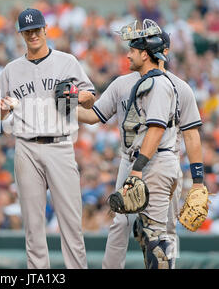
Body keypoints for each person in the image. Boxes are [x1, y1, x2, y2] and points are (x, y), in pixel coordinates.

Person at [78, 21, 203, 269]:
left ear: (149, 52)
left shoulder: (179, 87)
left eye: (133, 48)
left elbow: (191, 135)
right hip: (130, 159)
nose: (127, 54)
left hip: (162, 158)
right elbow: (95, 116)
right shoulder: (122, 83)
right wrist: (64, 108)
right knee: (121, 224)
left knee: (162, 230)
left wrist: (198, 180)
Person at [0, 8, 96, 269]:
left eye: (36, 30)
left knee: (71, 224)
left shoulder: (66, 61)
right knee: (33, 226)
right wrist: (3, 107)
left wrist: (72, 93)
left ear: (45, 29)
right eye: (27, 31)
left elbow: (90, 96)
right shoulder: (11, 69)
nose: (32, 35)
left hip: (60, 144)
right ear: (21, 34)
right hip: (26, 146)